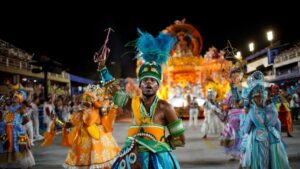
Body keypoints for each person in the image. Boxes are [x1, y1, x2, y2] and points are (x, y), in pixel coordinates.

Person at [98, 29, 185, 168]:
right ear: (140, 84)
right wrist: (102, 68)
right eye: (145, 80)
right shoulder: (133, 103)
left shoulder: (165, 107)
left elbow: (180, 139)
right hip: (132, 158)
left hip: (159, 161)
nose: (149, 82)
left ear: (158, 85)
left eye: (153, 80)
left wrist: (160, 146)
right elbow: (114, 93)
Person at [240, 71, 291, 169]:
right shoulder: (271, 108)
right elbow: (278, 125)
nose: (259, 98)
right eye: (257, 96)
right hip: (274, 139)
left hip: (257, 140)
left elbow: (246, 130)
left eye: (259, 96)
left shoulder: (252, 111)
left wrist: (245, 116)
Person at [0, 90, 35, 168]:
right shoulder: (7, 107)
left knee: (20, 148)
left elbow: (27, 119)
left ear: (20, 99)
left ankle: (27, 166)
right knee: (7, 147)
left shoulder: (21, 107)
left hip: (17, 132)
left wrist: (19, 125)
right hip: (6, 131)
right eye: (14, 97)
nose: (14, 98)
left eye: (16, 97)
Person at [220, 67, 245, 160]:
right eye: (233, 77)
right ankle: (234, 153)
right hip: (232, 115)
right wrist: (225, 109)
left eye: (237, 77)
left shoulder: (243, 89)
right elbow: (226, 104)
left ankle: (241, 152)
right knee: (233, 134)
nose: (235, 79)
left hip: (242, 114)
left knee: (241, 134)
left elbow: (247, 102)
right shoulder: (229, 91)